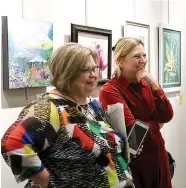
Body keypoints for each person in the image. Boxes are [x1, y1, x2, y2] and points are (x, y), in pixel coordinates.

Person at [1, 43, 135, 188]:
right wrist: (46, 180)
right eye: (85, 70)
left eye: (95, 68)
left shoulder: (91, 105)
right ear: (66, 72)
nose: (94, 74)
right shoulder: (50, 107)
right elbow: (12, 144)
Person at [99, 37, 174, 188]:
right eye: (136, 56)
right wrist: (156, 124)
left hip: (159, 159)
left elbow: (167, 115)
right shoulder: (110, 90)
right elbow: (133, 134)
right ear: (120, 60)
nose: (143, 60)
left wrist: (154, 85)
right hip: (136, 165)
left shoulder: (147, 83)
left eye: (144, 55)